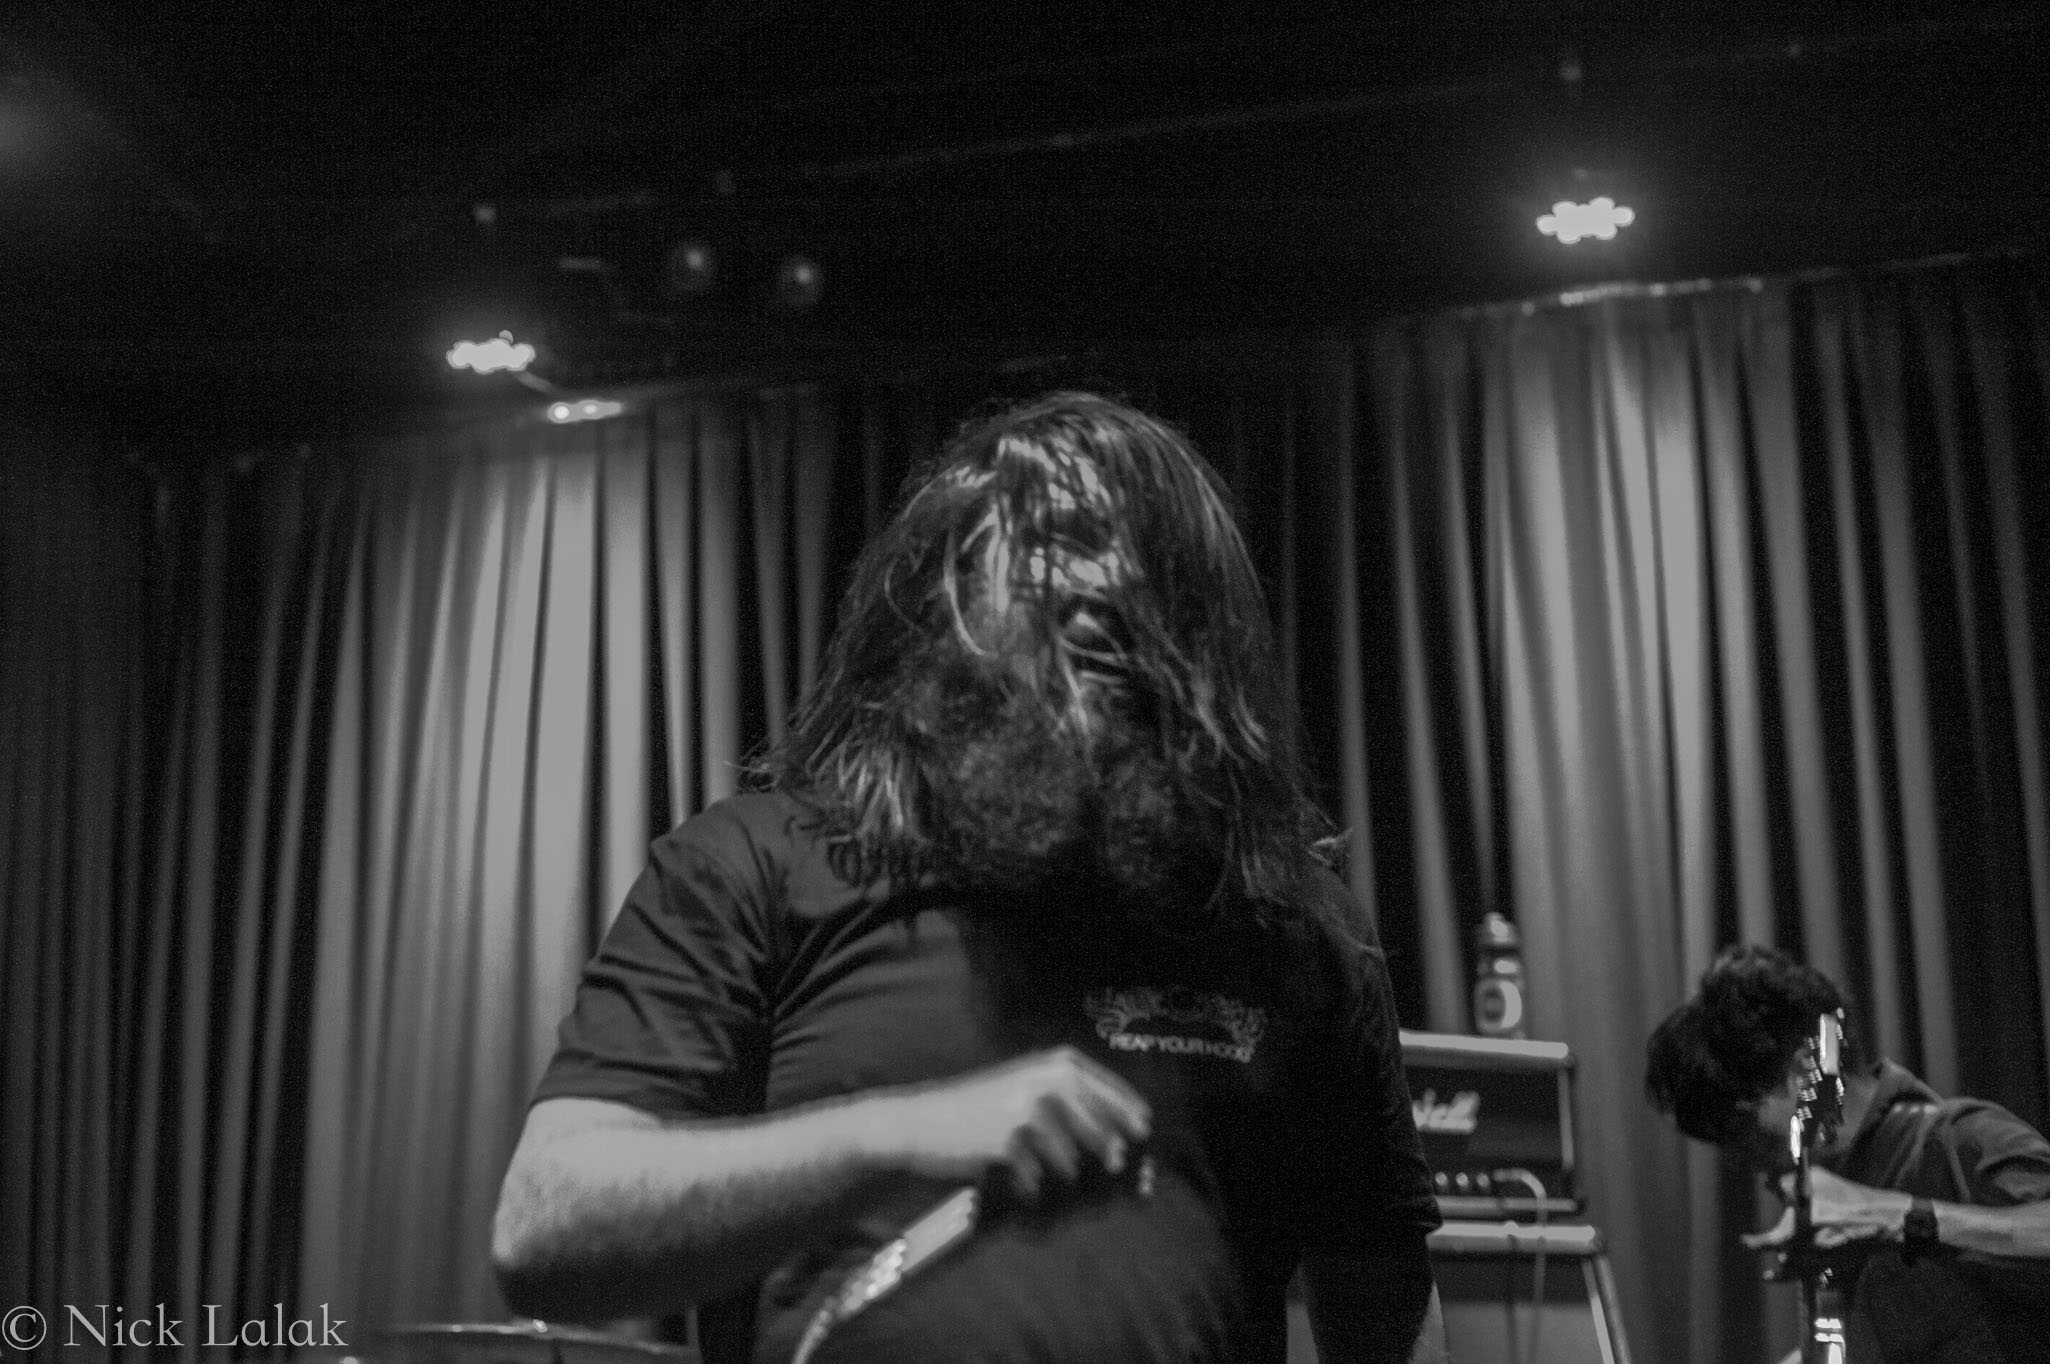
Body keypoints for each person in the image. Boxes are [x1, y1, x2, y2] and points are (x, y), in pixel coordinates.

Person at [491, 392, 1447, 1364]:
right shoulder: (755, 863)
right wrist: (899, 1135)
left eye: (1160, 566)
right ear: (949, 587)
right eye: (1068, 539)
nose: (1115, 581)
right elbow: (545, 1231)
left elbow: (1380, 1299)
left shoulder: (1293, 926)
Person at [1645, 944, 2050, 1362]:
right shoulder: (1840, 1191)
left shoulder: (1955, 1137)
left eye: (1740, 1126)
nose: (1743, 1157)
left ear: (1807, 1072)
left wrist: (1893, 1216)